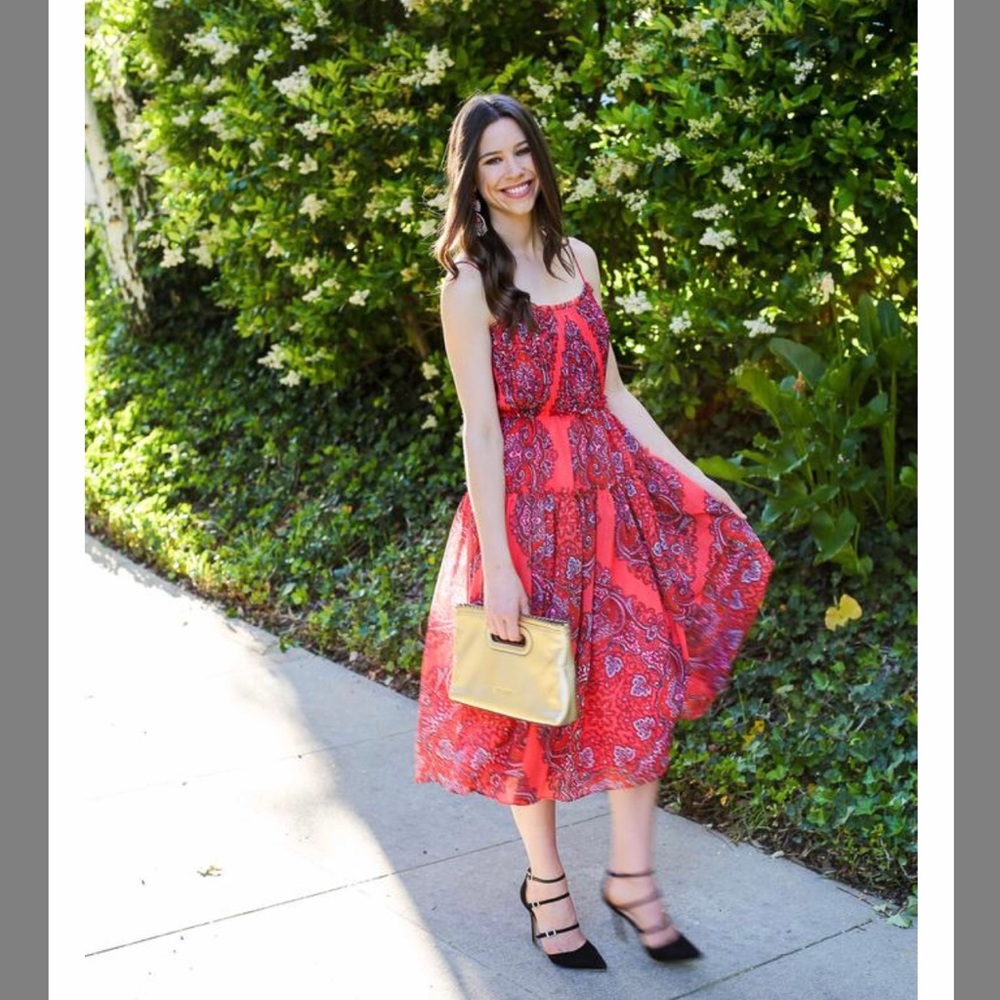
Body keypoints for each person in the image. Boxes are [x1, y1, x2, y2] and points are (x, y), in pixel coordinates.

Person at [414, 93, 773, 972]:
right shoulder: (469, 285)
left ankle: (633, 879)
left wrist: (696, 480)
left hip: (611, 509)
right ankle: (547, 886)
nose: (513, 171)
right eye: (492, 159)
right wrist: (498, 566)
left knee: (641, 686)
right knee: (532, 703)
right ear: (471, 177)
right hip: (527, 518)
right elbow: (481, 430)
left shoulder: (581, 259)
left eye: (522, 151)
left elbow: (613, 393)